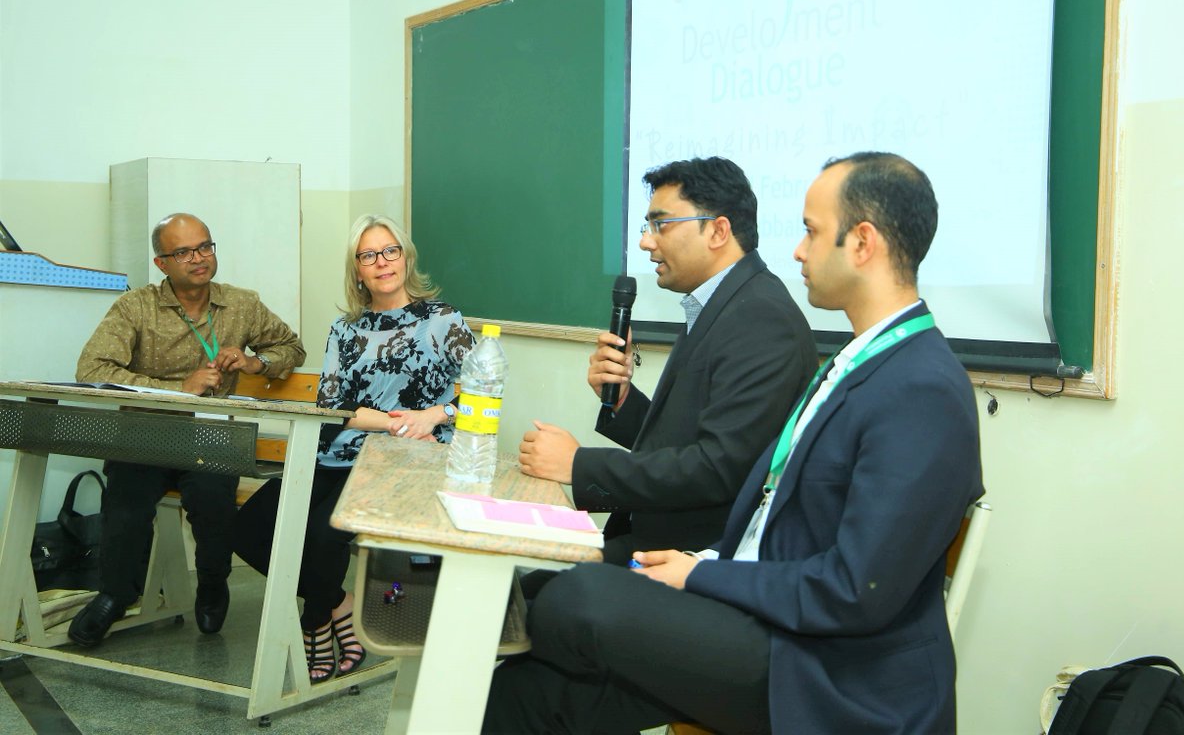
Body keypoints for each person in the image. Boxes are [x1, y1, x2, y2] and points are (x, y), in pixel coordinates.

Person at [484, 152, 985, 734]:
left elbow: (855, 590)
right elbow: (766, 504)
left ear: (862, 242)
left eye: (811, 231)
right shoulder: (855, 362)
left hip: (822, 666)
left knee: (574, 600)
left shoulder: (922, 387)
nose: (797, 250)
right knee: (521, 690)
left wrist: (700, 575)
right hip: (759, 609)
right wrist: (702, 564)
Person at [518, 156, 816, 563]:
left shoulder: (762, 318)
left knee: (543, 589)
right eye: (648, 227)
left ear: (718, 231)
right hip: (655, 538)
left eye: (661, 225)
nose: (646, 242)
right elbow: (687, 440)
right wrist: (622, 399)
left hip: (691, 556)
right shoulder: (723, 303)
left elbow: (716, 469)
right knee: (527, 579)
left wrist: (578, 465)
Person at [233, 213, 474, 683]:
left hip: (403, 460)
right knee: (247, 529)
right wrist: (396, 420)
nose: (382, 262)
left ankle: (314, 621)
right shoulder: (346, 330)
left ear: (406, 258)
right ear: (357, 270)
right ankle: (338, 604)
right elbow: (332, 406)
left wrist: (434, 414)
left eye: (390, 251)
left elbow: (486, 390)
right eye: (369, 256)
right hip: (336, 453)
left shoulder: (442, 320)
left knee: (323, 535)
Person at [68, 213, 306, 647]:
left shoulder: (242, 304)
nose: (198, 258)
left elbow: (291, 347)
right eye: (183, 252)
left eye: (204, 246)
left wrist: (256, 363)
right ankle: (115, 595)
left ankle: (213, 583)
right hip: (146, 430)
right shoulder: (135, 306)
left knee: (213, 500)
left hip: (211, 435)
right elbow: (92, 369)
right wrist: (178, 388)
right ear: (161, 263)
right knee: (126, 500)